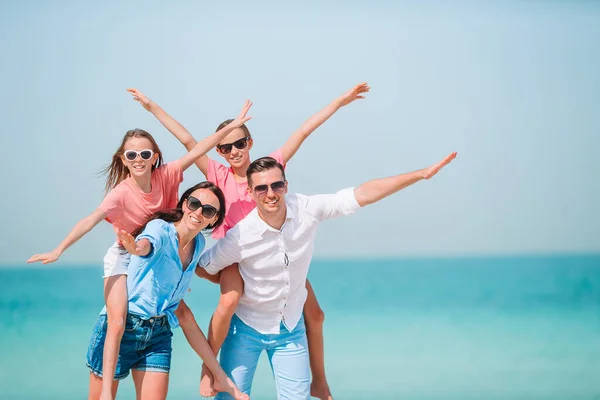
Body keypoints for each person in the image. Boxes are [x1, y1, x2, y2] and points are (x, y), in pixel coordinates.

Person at [127, 84, 369, 399]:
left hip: (274, 256)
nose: (234, 151)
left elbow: (301, 134)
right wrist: (151, 107)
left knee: (316, 314)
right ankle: (209, 370)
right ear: (219, 151)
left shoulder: (266, 172)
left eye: (239, 143)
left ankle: (319, 382)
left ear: (249, 142)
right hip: (236, 259)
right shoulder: (218, 174)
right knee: (228, 301)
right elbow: (187, 139)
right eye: (225, 147)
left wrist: (338, 102)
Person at [27, 101, 252, 400]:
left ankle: (216, 375)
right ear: (123, 158)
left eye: (145, 154)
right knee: (118, 320)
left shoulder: (170, 182)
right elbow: (98, 222)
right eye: (132, 154)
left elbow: (196, 147)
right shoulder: (122, 193)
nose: (139, 159)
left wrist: (230, 125)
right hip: (127, 252)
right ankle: (108, 390)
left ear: (154, 157)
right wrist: (59, 249)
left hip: (164, 262)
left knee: (180, 310)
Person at [197, 153, 457, 399]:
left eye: (276, 185)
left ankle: (319, 383)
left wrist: (420, 175)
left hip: (289, 328)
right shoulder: (240, 237)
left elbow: (361, 195)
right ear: (251, 193)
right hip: (245, 328)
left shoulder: (307, 208)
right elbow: (203, 267)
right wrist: (238, 283)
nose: (270, 193)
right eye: (262, 188)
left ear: (286, 186)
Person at [86, 182, 249, 400]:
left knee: (186, 316)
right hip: (124, 326)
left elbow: (181, 308)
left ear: (213, 219)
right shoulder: (160, 229)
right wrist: (134, 248)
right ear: (184, 204)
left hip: (158, 333)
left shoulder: (199, 243)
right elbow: (146, 246)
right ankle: (221, 377)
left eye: (208, 210)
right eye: (194, 204)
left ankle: (220, 377)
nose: (198, 212)